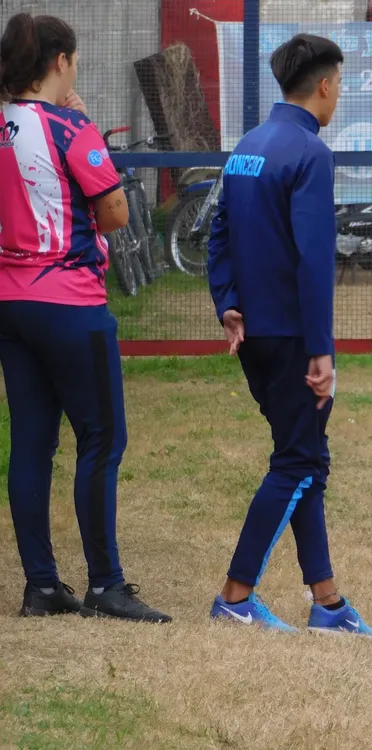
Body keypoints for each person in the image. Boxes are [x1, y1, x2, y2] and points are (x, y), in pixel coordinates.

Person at [0, 14, 171, 622]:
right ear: (60, 62)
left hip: (11, 302)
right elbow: (117, 212)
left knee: (31, 444)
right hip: (70, 300)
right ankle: (106, 585)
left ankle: (41, 586)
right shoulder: (71, 126)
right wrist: (87, 122)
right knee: (101, 439)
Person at [206, 33, 372, 636]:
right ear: (325, 85)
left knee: (308, 461)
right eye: (340, 85)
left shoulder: (248, 146)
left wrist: (227, 303)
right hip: (290, 338)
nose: (339, 96)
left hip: (253, 333)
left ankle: (327, 603)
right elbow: (313, 259)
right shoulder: (309, 152)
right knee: (297, 461)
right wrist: (321, 350)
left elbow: (216, 234)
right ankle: (235, 594)